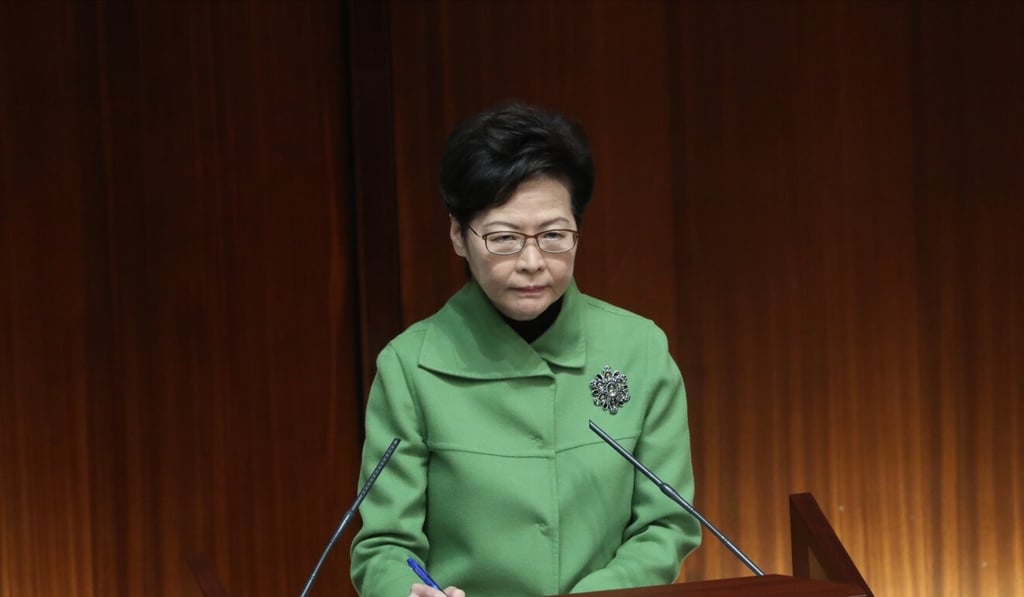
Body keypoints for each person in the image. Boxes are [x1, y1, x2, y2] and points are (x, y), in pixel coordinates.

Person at [349, 102, 701, 596]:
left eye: (554, 235)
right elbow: (384, 545)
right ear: (458, 235)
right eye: (504, 238)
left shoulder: (638, 349)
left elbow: (666, 524)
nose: (532, 261)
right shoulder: (410, 367)